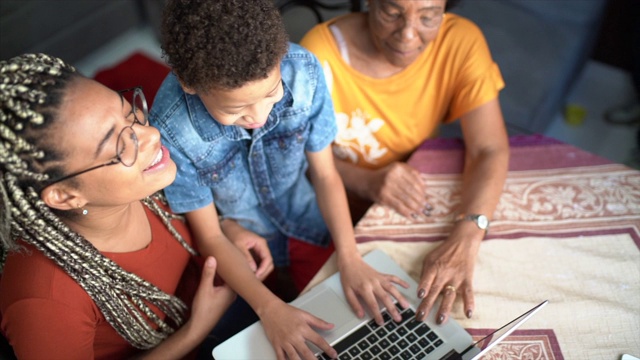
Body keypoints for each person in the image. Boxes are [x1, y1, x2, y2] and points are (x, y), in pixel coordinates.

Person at [151, 0, 410, 358]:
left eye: (272, 95)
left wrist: (349, 258)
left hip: (311, 222)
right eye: (236, 109)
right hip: (242, 256)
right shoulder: (170, 128)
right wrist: (269, 309)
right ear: (190, 83)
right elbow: (209, 234)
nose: (258, 116)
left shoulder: (303, 71)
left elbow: (324, 173)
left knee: (359, 322)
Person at [0, 53, 237, 359]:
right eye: (119, 146)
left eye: (129, 114)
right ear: (65, 196)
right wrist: (195, 330)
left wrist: (228, 226)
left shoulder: (145, 180)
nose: (151, 135)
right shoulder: (44, 302)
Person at [300, 0, 510, 325]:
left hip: (409, 208)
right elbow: (298, 160)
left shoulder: (460, 42)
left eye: (428, 17)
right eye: (392, 13)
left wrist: (468, 233)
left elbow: (489, 148)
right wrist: (366, 180)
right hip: (328, 218)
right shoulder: (318, 55)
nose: (408, 36)